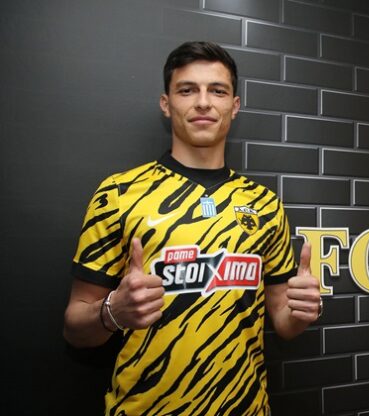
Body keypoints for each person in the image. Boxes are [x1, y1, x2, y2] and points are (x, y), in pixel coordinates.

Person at [62, 41, 322, 415]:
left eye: (217, 91)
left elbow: (283, 322)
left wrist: (301, 311)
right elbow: (75, 327)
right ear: (166, 103)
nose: (203, 102)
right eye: (187, 90)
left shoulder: (265, 203)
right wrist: (111, 312)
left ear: (234, 105)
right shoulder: (118, 193)